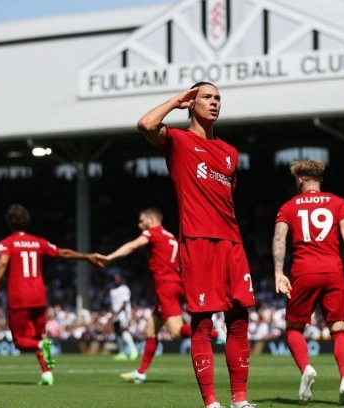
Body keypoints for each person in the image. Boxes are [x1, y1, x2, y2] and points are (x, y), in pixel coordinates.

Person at [137, 82, 256, 408]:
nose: (215, 102)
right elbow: (146, 125)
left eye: (218, 98)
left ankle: (240, 400)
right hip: (198, 240)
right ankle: (210, 402)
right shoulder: (178, 140)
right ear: (192, 103)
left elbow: (227, 199)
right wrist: (176, 101)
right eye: (207, 97)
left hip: (231, 242)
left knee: (238, 319)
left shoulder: (231, 153)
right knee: (202, 322)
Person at [272, 160, 344, 406]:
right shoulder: (338, 202)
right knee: (338, 330)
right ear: (320, 180)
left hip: (304, 271)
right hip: (333, 270)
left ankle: (306, 368)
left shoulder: (288, 207)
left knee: (293, 328)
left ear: (300, 180)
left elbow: (279, 238)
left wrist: (279, 272)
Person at [97, 208, 221, 383]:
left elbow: (133, 245)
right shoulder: (172, 237)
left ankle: (217, 334)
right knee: (151, 328)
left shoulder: (152, 233)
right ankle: (141, 372)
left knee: (176, 332)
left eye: (142, 221)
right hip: (176, 284)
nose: (139, 225)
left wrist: (110, 257)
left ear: (152, 219)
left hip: (166, 287)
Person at [0, 203, 100, 386]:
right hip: (39, 297)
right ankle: (47, 374)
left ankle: (41, 347)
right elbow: (63, 253)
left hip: (19, 298)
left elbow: (2, 263)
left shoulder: (6, 243)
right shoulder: (38, 242)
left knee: (21, 341)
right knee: (38, 337)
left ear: (9, 224)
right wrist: (86, 257)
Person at [109, 273, 139, 361]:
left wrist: (116, 312)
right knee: (117, 332)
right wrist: (112, 312)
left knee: (123, 331)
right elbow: (112, 303)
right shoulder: (112, 291)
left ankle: (134, 350)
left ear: (121, 279)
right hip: (115, 314)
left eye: (118, 278)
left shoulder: (124, 289)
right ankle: (122, 352)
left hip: (123, 314)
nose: (116, 280)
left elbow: (125, 303)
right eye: (115, 279)